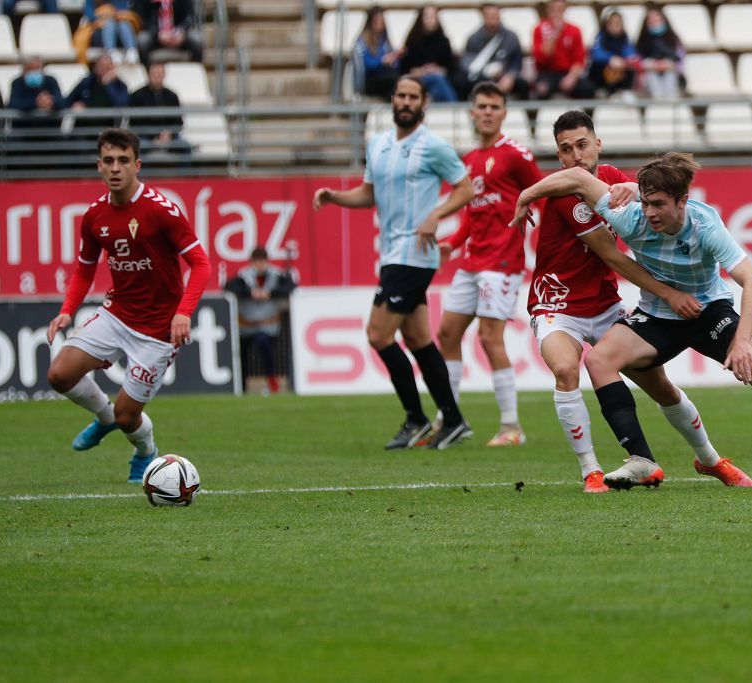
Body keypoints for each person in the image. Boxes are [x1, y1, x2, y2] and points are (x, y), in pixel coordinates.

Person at [514, 150, 752, 489]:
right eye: (646, 202)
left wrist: (741, 343)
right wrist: (527, 195)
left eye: (659, 204)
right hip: (659, 314)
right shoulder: (629, 216)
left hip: (708, 311)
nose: (650, 213)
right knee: (601, 360)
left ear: (682, 202)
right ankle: (642, 459)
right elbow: (576, 177)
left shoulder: (705, 224)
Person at [511, 110, 752, 493]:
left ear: (598, 144)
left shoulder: (614, 180)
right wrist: (669, 293)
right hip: (557, 304)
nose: (575, 155)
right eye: (565, 149)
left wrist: (629, 189)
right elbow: (613, 256)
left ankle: (710, 459)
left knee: (659, 385)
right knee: (565, 369)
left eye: (582, 144)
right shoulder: (564, 195)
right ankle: (593, 470)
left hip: (606, 303)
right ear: (558, 157)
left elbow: (650, 196)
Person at [312, 76, 475, 450]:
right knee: (418, 338)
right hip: (391, 253)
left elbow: (466, 188)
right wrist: (335, 196)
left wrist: (437, 214)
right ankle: (452, 420)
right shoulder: (379, 144)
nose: (405, 101)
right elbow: (369, 194)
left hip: (415, 255)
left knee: (378, 334)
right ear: (392, 100)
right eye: (400, 95)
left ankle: (417, 419)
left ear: (423, 104)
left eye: (412, 97)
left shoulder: (434, 146)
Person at [45, 128, 211, 483]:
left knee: (127, 416)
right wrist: (66, 310)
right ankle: (102, 419)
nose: (115, 168)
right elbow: (83, 269)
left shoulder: (161, 210)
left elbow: (201, 263)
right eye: (108, 161)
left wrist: (184, 311)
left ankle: (144, 450)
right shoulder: (94, 217)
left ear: (137, 165)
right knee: (59, 374)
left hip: (157, 331)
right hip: (117, 313)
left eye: (123, 161)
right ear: (99, 166)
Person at [435, 81, 542, 446]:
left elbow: (542, 192)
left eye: (493, 107)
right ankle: (448, 418)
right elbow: (471, 212)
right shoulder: (469, 160)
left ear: (504, 113)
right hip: (471, 260)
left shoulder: (515, 154)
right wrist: (451, 243)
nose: (486, 112)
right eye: (481, 106)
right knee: (447, 334)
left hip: (501, 261)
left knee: (488, 338)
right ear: (471, 111)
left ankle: (511, 427)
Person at [224, 246, 296, 394]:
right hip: (246, 326)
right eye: (257, 262)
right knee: (242, 357)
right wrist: (250, 293)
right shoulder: (243, 276)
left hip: (269, 325)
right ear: (252, 262)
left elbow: (291, 287)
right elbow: (229, 287)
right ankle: (242, 386)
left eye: (263, 262)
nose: (260, 265)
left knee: (265, 346)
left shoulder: (276, 275)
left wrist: (270, 293)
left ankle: (270, 379)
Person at [454, 4, 529, 102]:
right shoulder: (474, 39)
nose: (492, 19)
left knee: (523, 86)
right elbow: (469, 65)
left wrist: (510, 76)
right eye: (489, 16)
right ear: (483, 17)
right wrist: (487, 72)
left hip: (505, 76)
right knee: (462, 84)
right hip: (481, 78)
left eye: (495, 16)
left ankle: (530, 117)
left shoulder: (511, 38)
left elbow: (516, 61)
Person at [532, 0, 595, 101]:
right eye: (553, 10)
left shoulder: (575, 30)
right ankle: (533, 117)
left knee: (588, 89)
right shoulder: (539, 29)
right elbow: (540, 58)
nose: (556, 13)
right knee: (540, 90)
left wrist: (571, 77)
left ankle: (587, 116)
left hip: (568, 72)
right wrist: (554, 34)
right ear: (548, 10)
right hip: (547, 73)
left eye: (560, 10)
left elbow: (579, 60)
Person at [128, 61, 191, 157]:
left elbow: (178, 121)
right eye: (154, 74)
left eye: (160, 74)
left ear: (164, 76)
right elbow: (135, 122)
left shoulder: (172, 95)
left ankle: (186, 172)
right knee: (140, 147)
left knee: (186, 147)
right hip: (145, 137)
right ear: (148, 75)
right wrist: (154, 136)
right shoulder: (137, 95)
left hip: (169, 136)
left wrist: (169, 133)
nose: (157, 78)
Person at [399, 5, 458, 103]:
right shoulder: (412, 41)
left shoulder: (443, 41)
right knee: (438, 80)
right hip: (418, 78)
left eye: (433, 16)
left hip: (438, 78)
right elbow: (405, 68)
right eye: (427, 16)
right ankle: (454, 106)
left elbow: (450, 66)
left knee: (437, 86)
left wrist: (439, 69)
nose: (430, 20)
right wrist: (420, 70)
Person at [66, 53, 130, 136]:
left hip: (108, 132)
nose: (104, 69)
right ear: (95, 68)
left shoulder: (120, 85)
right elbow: (66, 101)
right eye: (101, 66)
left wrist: (108, 84)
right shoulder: (86, 82)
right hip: (84, 130)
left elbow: (121, 104)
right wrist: (75, 105)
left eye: (108, 67)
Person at [634, 3, 685, 99]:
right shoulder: (642, 42)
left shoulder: (673, 40)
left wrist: (668, 64)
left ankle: (671, 97)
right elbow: (637, 61)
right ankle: (657, 98)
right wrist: (652, 65)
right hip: (649, 76)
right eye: (651, 21)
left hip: (670, 73)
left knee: (670, 71)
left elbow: (680, 60)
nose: (655, 23)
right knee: (650, 71)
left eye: (658, 20)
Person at [589, 7, 639, 101]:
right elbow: (596, 53)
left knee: (629, 69)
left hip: (620, 70)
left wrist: (623, 61)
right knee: (597, 66)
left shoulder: (626, 38)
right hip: (603, 73)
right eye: (612, 22)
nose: (615, 25)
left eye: (618, 23)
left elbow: (631, 53)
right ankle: (602, 90)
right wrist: (610, 59)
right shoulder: (600, 37)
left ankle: (624, 90)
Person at [134, 0, 204, 67]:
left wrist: (181, 31)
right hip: (155, 35)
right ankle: (149, 75)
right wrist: (157, 34)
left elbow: (190, 16)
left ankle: (192, 74)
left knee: (197, 41)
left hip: (178, 35)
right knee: (142, 41)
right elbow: (142, 18)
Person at [352, 6, 402, 100]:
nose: (380, 24)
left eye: (382, 21)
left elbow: (395, 64)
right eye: (377, 21)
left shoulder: (384, 40)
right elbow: (365, 64)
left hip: (385, 78)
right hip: (369, 80)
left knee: (394, 90)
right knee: (395, 81)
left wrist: (395, 58)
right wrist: (382, 61)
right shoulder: (361, 42)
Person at [7, 57, 66, 135]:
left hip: (50, 132)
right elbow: (13, 104)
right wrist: (36, 103)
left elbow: (62, 102)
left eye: (37, 68)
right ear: (23, 71)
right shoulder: (17, 83)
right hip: (23, 133)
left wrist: (51, 102)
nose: (33, 72)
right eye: (30, 69)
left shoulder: (51, 81)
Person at [77, 0, 142, 65]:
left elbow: (124, 12)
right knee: (110, 24)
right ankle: (111, 52)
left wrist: (112, 14)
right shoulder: (90, 1)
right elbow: (90, 16)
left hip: (120, 35)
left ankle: (132, 51)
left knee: (124, 24)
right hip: (99, 34)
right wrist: (103, 15)